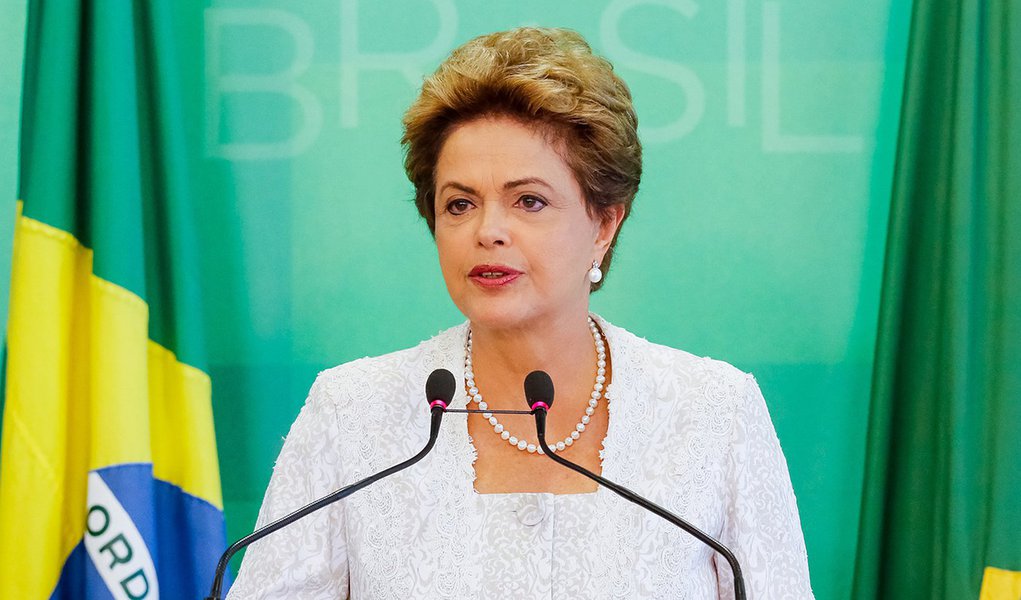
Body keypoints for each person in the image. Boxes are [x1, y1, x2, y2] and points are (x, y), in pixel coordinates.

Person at [228, 27, 813, 599]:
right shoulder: (352, 413)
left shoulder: (713, 413)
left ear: (605, 225)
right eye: (459, 204)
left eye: (528, 201)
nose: (488, 232)